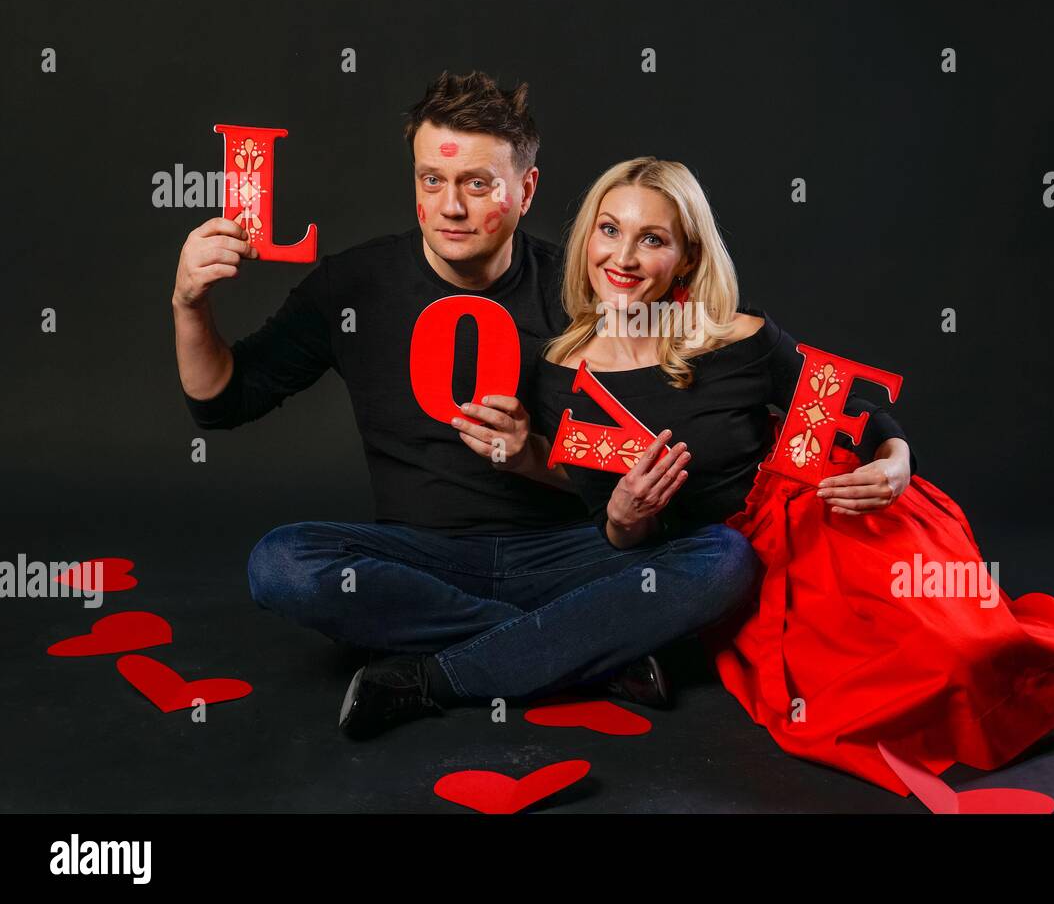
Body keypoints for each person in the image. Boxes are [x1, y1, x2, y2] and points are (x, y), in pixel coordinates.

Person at [531, 156, 1054, 797]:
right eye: (608, 228)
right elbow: (620, 535)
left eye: (651, 237)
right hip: (742, 574)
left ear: (686, 258)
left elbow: (857, 403)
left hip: (829, 512)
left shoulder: (736, 336)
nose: (622, 256)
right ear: (587, 238)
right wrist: (628, 516)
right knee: (855, 719)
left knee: (964, 648)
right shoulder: (568, 376)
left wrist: (894, 460)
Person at [171, 73, 760, 740]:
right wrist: (188, 302)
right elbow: (223, 401)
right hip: (420, 558)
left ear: (526, 190)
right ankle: (578, 650)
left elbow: (664, 448)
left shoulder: (588, 288)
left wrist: (535, 457)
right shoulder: (353, 283)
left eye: (478, 184)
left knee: (724, 557)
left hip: (569, 553)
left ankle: (443, 671)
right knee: (281, 562)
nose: (451, 206)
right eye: (431, 181)